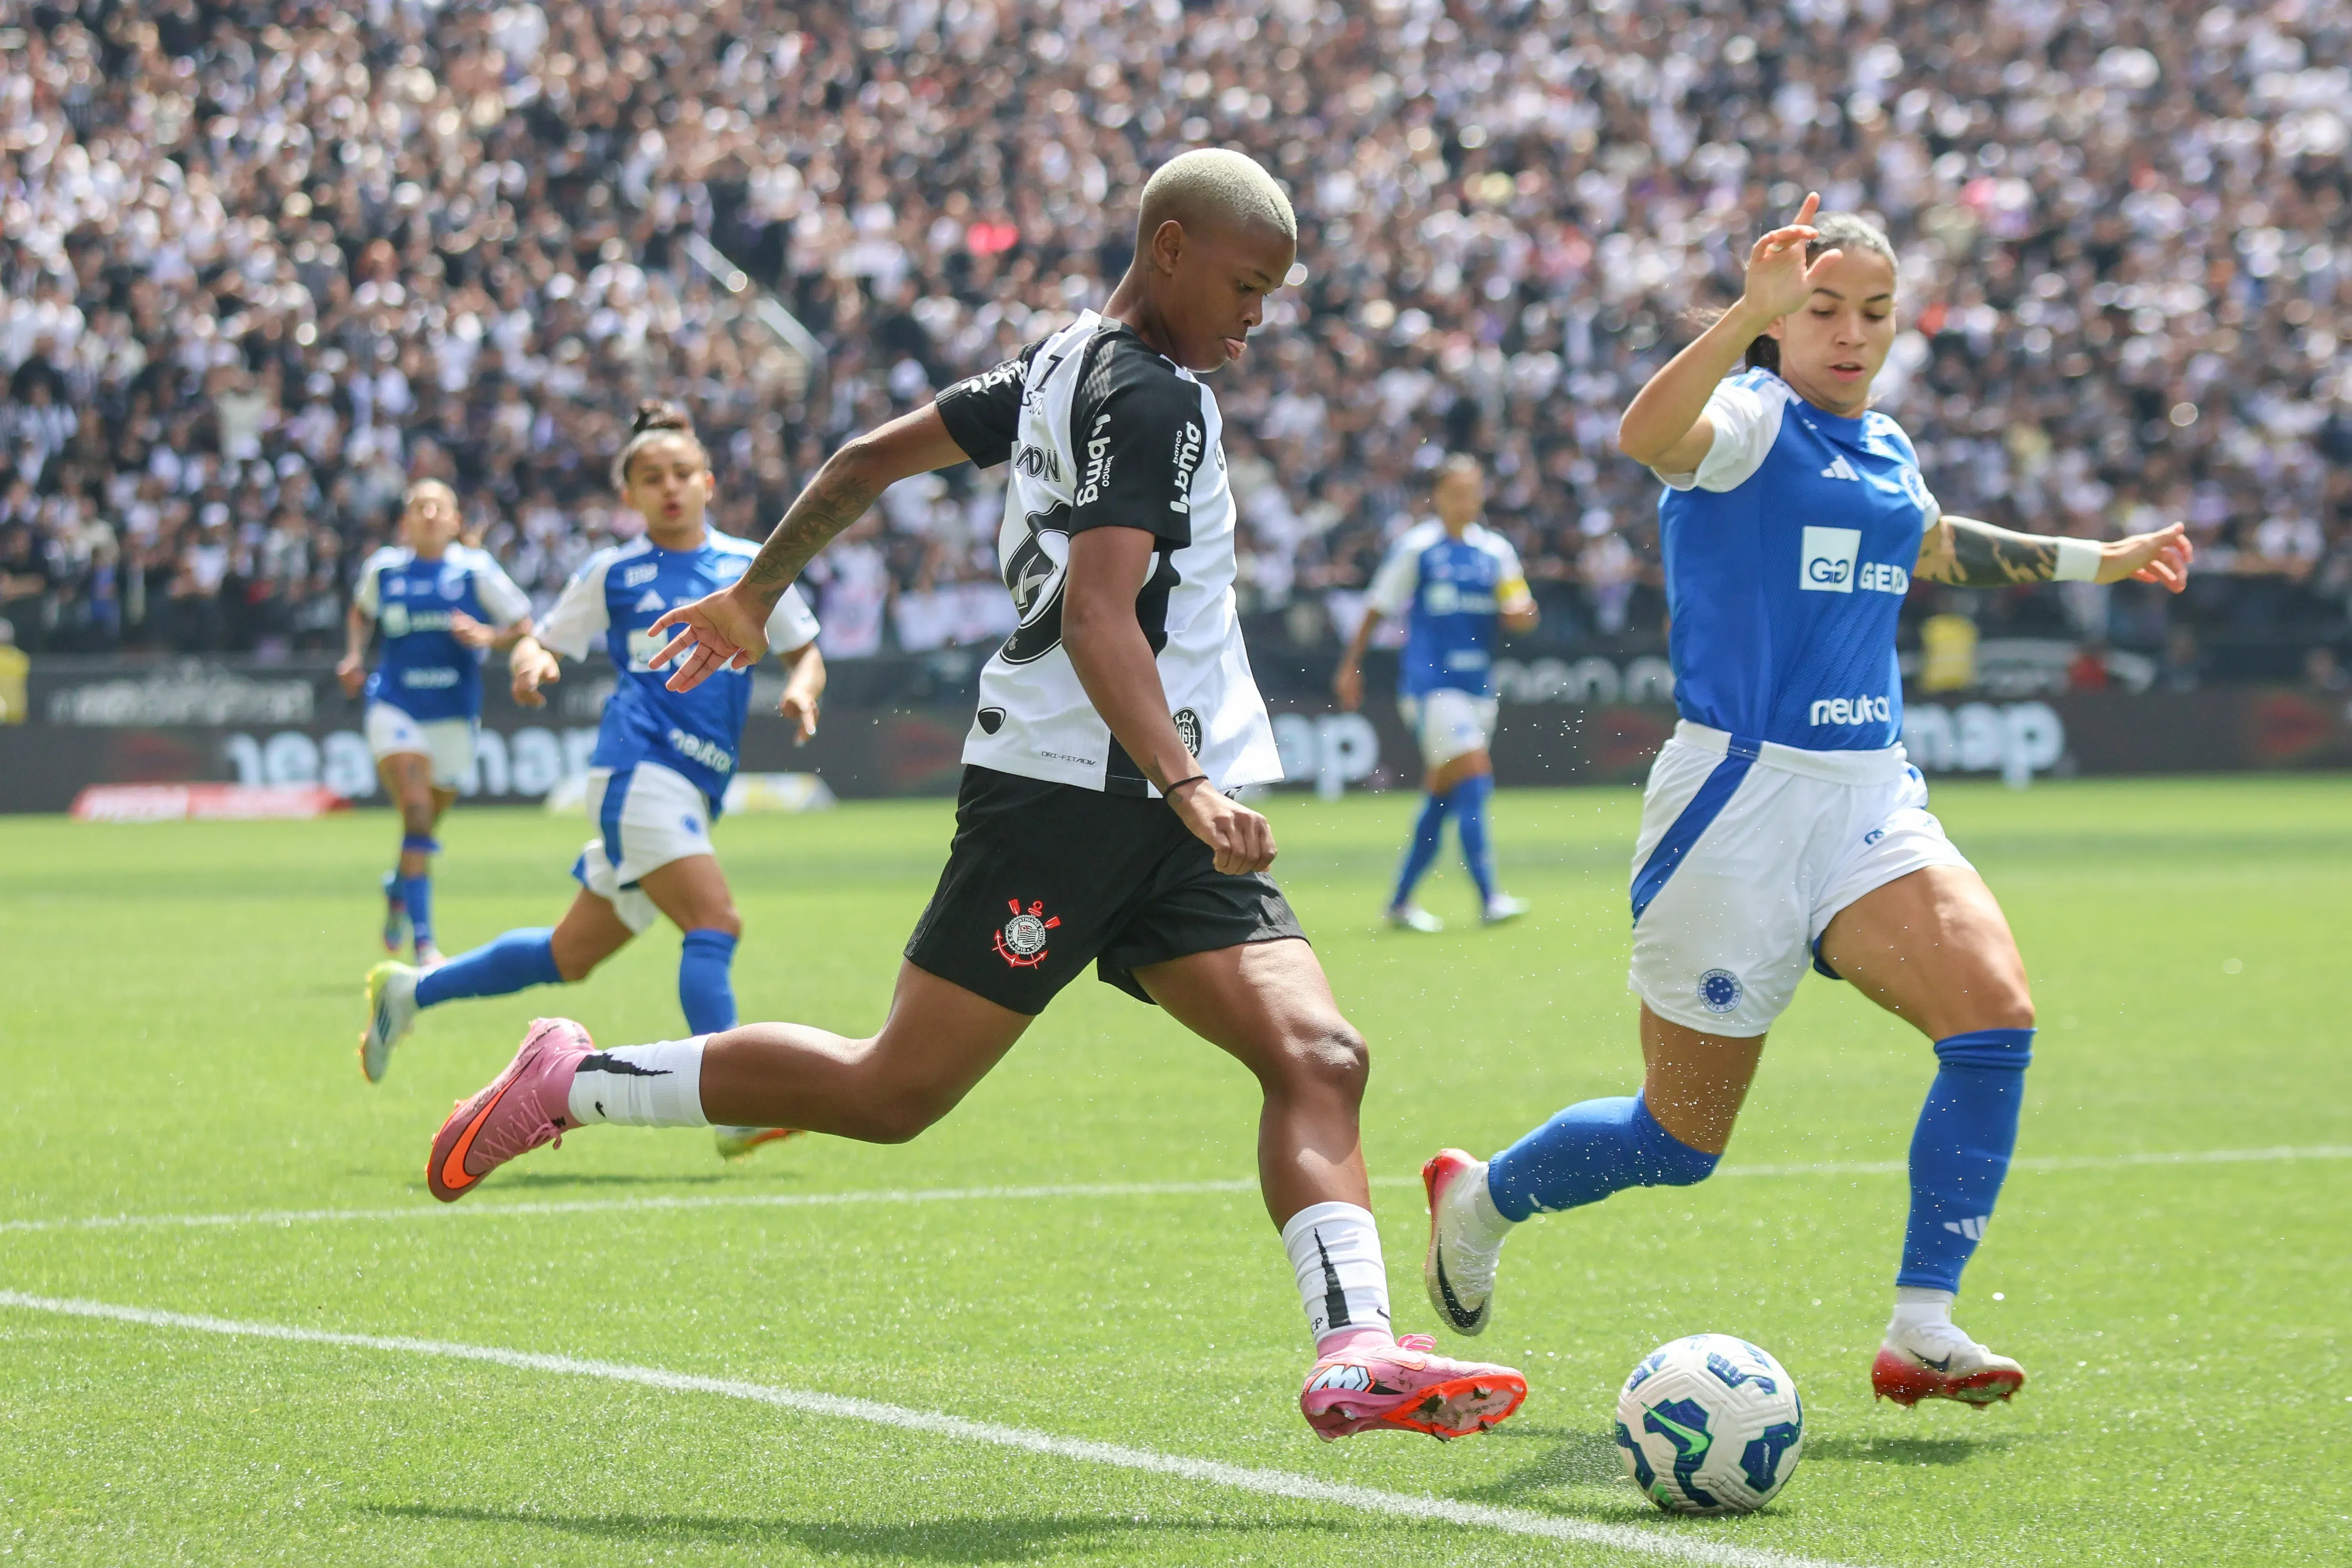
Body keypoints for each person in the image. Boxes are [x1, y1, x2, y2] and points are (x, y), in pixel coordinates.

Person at [418, 150, 1529, 1442]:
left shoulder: (1055, 364)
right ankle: (575, 1078)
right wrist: (1182, 777)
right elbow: (1100, 613)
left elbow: (862, 458)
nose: (1256, 315)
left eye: (1272, 293)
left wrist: (760, 590)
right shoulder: (1152, 396)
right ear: (1166, 247)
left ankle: (1354, 1350)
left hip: (1157, 798)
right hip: (1075, 791)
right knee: (893, 1090)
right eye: (1244, 283)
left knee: (1320, 1053)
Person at [1418, 196, 2193, 1408]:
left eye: (1870, 313)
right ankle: (1480, 1196)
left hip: (1866, 799)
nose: (1846, 332)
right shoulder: (1743, 418)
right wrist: (1748, 315)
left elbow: (1927, 544)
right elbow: (1642, 433)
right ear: (1786, 316)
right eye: (1822, 308)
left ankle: (1921, 1324)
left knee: (1992, 1018)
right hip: (1731, 804)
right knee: (1674, 1144)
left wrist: (2098, 557)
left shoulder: (1882, 443)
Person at [360, 402, 826, 1165]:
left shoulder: (750, 563)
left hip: (691, 784)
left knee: (567, 955)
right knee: (715, 922)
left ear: (708, 482)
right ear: (630, 497)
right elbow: (539, 641)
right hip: (639, 769)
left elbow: (805, 648)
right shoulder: (612, 572)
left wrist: (803, 687)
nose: (669, 488)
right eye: (651, 479)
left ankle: (409, 991)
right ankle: (736, 1107)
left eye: (682, 474)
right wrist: (532, 665)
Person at [1333, 454, 1537, 931]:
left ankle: (1400, 903)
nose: (1467, 500)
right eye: (1457, 491)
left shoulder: (1495, 551)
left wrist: (1523, 617)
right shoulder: (1416, 548)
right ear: (1438, 496)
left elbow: (1521, 611)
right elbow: (1377, 606)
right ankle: (1490, 898)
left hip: (1477, 687)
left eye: (1473, 490)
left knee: (1443, 798)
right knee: (1475, 779)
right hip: (1431, 687)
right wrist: (1350, 666)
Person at [338, 480, 532, 966]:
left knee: (422, 827)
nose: (428, 514)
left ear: (454, 521)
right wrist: (355, 655)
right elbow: (361, 612)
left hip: (454, 715)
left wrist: (487, 635)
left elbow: (524, 626)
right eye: (418, 508)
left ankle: (399, 888)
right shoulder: (384, 570)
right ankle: (424, 944)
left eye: (438, 507)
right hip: (395, 707)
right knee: (418, 813)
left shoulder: (476, 569)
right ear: (405, 524)